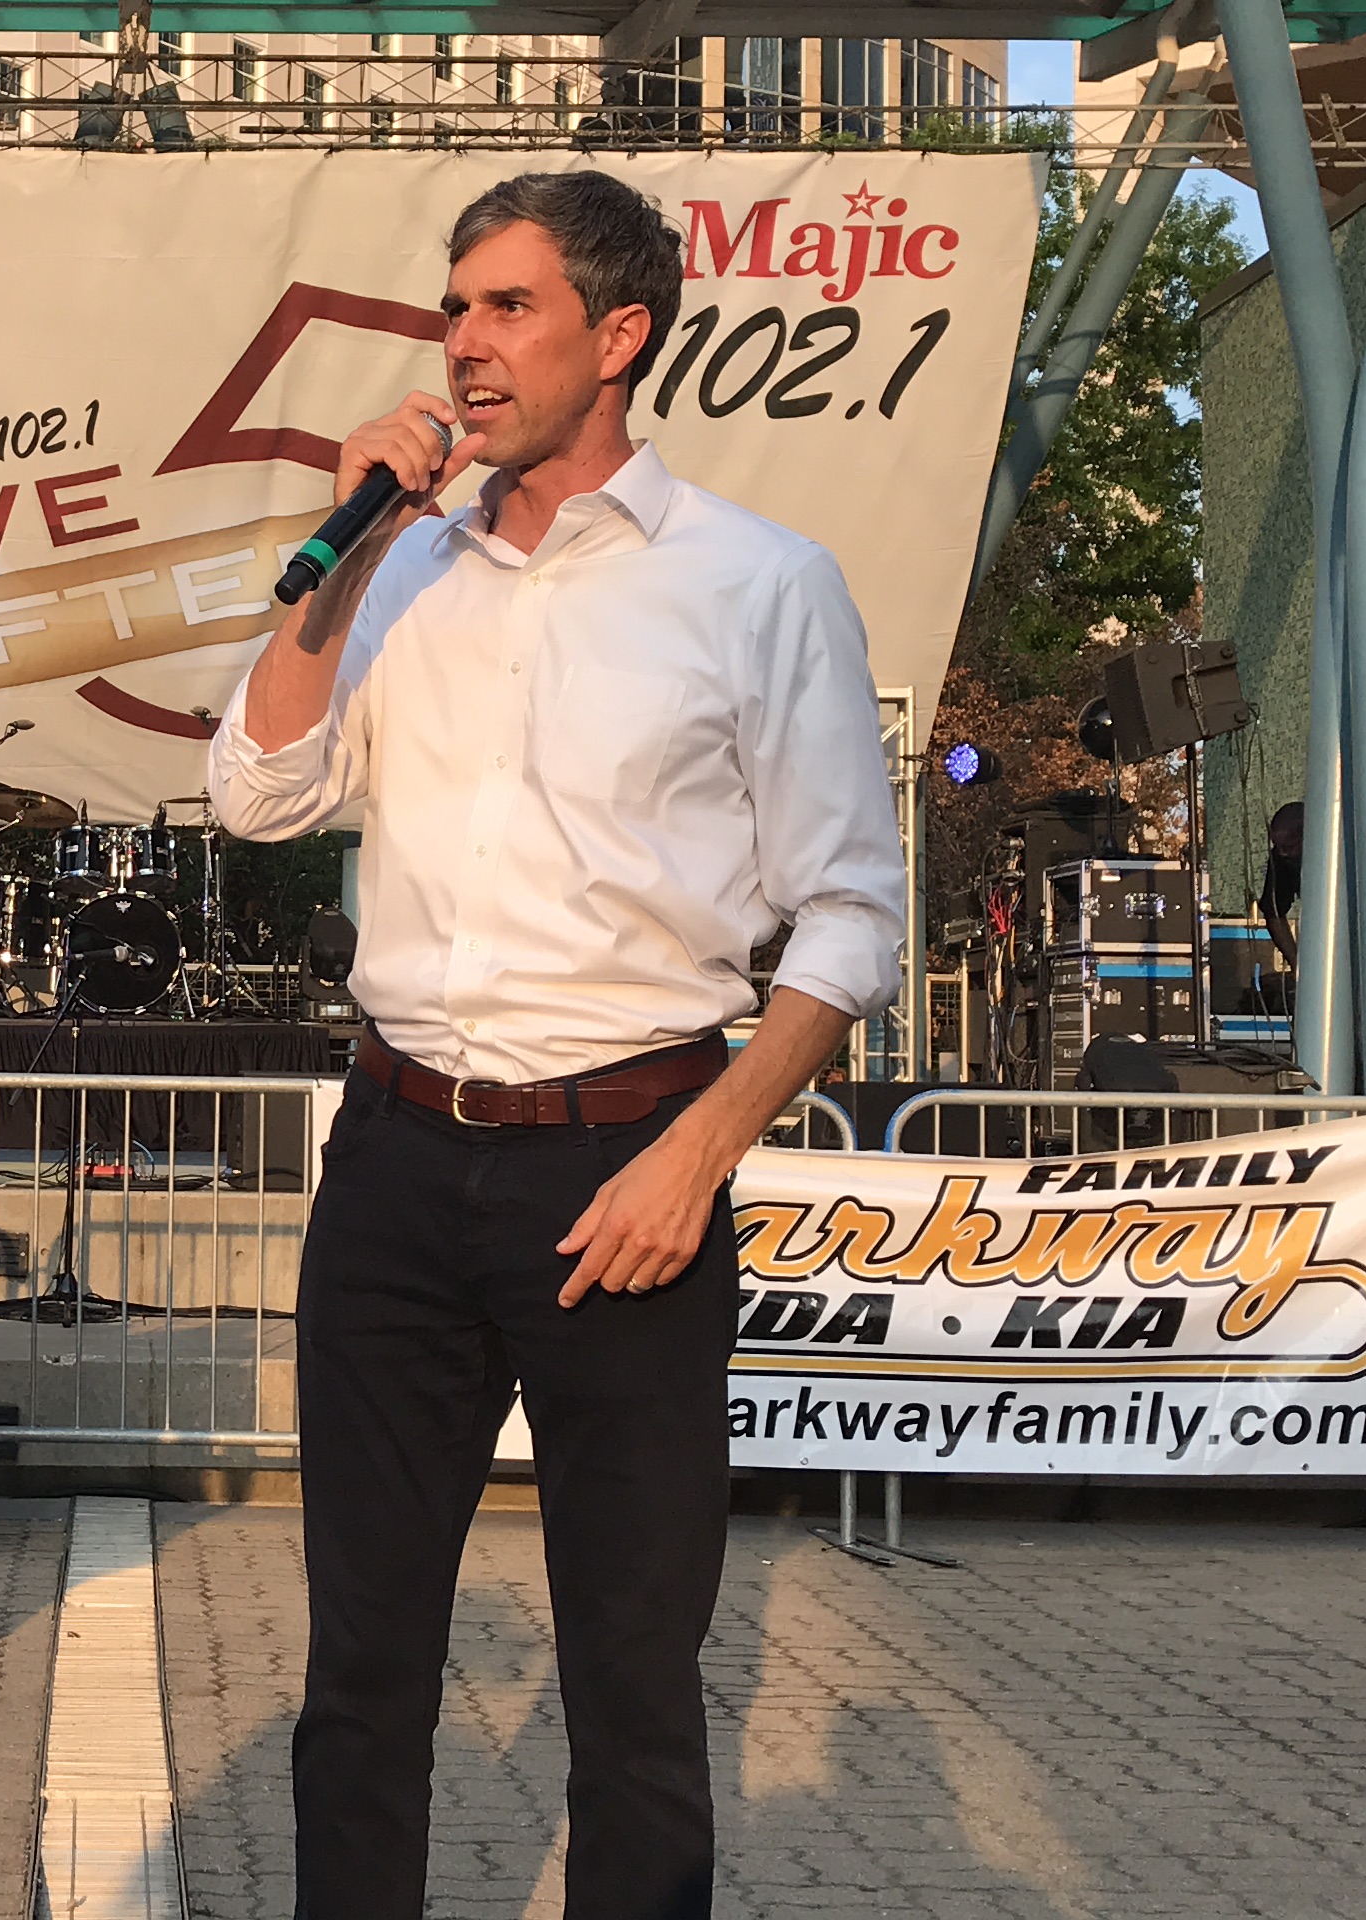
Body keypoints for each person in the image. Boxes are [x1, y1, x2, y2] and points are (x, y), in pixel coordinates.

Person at [207, 171, 907, 1920]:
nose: (463, 344)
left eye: (504, 308)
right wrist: (353, 530)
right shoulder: (400, 570)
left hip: (630, 1165)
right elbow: (257, 788)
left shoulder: (757, 583)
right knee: (362, 1668)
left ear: (619, 336)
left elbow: (847, 921)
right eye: (453, 309)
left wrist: (700, 1153)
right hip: (392, 1157)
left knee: (631, 1678)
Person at [1260, 800, 1304, 982]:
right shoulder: (1280, 859)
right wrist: (1297, 963)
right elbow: (1273, 913)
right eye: (1278, 847)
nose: (1283, 853)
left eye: (1289, 847)